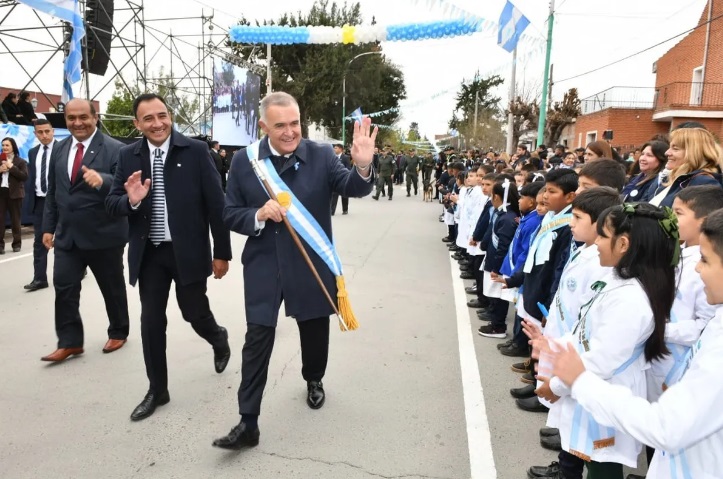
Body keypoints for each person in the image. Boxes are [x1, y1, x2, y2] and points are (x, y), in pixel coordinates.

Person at [214, 91, 376, 450]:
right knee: (257, 337)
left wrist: (363, 166)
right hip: (264, 263)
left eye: (295, 123)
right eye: (280, 126)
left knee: (314, 329)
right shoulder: (244, 161)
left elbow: (351, 186)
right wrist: (258, 214)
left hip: (309, 260)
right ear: (263, 126)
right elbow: (230, 212)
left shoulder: (321, 155)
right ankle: (248, 421)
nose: (290, 132)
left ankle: (313, 378)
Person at [544, 208, 723, 479]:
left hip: (617, 403)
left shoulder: (631, 298)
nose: (697, 268)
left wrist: (576, 381)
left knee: (602, 466)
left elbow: (667, 427)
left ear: (624, 244)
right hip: (672, 452)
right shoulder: (618, 281)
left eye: (706, 260)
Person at [105, 93, 232, 420]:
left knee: (194, 312)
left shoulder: (196, 151)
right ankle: (157, 389)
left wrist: (222, 252)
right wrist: (132, 201)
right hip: (150, 254)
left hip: (187, 251)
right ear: (137, 124)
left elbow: (216, 205)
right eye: (148, 118)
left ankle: (218, 337)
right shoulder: (128, 156)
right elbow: (112, 203)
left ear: (170, 116)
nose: (157, 123)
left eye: (161, 115)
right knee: (151, 321)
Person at [40, 98, 130, 362]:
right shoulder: (60, 148)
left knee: (111, 288)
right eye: (71, 118)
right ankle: (70, 342)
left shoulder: (115, 149)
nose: (77, 123)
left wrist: (103, 180)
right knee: (64, 287)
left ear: (95, 117)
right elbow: (54, 191)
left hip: (104, 234)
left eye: (83, 117)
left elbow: (126, 186)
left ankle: (119, 331)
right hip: (67, 235)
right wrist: (48, 227)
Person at [649, 127, 723, 207]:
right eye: (669, 147)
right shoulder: (673, 179)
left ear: (694, 153)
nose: (667, 153)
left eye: (675, 149)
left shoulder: (703, 183)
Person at [24, 119, 56, 290]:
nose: (44, 135)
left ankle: (78, 267)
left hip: (60, 201)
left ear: (53, 131)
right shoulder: (33, 152)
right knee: (39, 241)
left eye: (47, 131)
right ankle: (40, 278)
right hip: (40, 202)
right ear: (35, 134)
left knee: (67, 238)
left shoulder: (63, 149)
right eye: (40, 132)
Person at [0, 137, 29, 254]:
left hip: (15, 193)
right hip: (1, 192)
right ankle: (0, 246)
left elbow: (24, 176)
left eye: (7, 145)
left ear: (13, 146)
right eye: (3, 145)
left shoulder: (21, 161)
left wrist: (11, 167)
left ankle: (16, 243)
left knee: (15, 220)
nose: (4, 147)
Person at [330, 143, 352, 215]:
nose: (334, 149)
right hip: (335, 179)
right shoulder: (332, 157)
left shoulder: (345, 157)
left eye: (336, 148)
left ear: (340, 149)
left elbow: (348, 167)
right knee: (334, 195)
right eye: (334, 148)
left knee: (344, 195)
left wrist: (345, 175)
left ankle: (345, 209)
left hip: (343, 179)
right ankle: (332, 211)